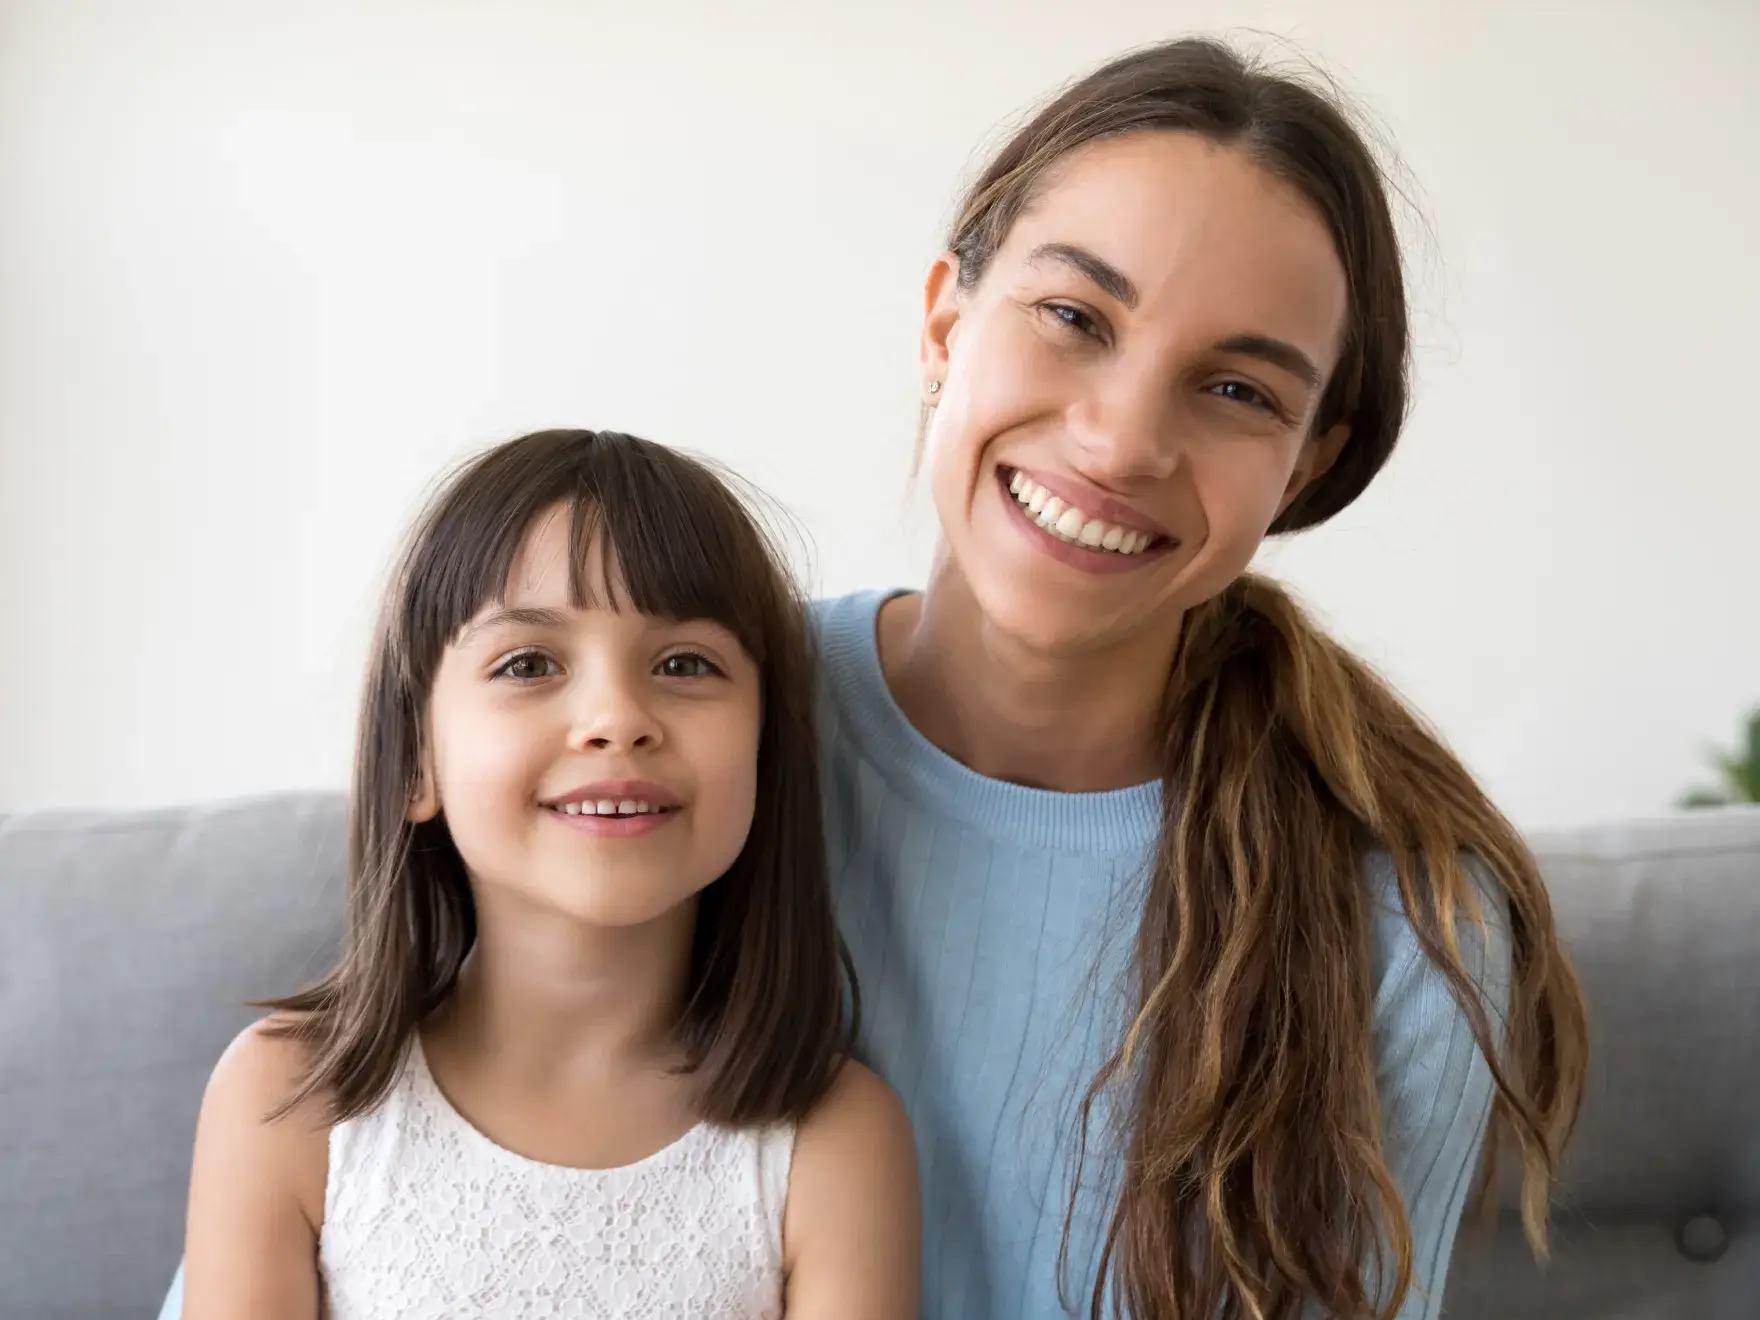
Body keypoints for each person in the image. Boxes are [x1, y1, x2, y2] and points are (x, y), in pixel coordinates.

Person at [159, 35, 1589, 1320]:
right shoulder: (669, 751)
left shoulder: (1408, 920)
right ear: (944, 326)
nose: (1119, 440)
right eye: (1075, 317)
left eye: (1237, 389)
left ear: (1309, 461)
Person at [177, 429, 920, 1319]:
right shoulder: (287, 1100)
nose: (615, 717)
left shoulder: (835, 1141)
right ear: (416, 759)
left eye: (686, 663)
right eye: (528, 664)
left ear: (768, 753)